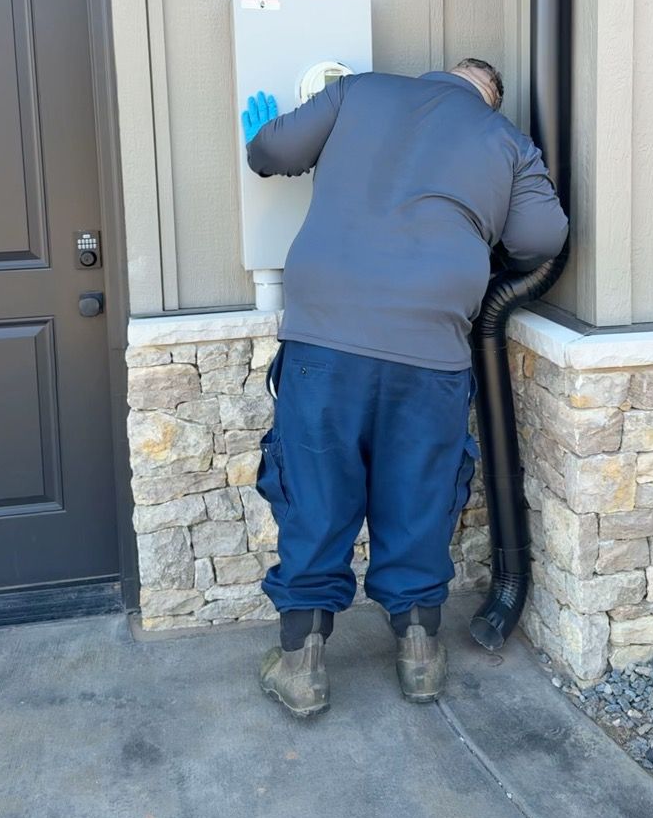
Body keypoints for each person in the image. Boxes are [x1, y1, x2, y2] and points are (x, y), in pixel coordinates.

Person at [242, 59, 568, 717]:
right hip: (431, 350)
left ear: (437, 76)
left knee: (314, 492)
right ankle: (420, 656)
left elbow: (271, 151)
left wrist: (261, 136)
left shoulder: (359, 90)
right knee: (419, 493)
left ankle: (302, 665)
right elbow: (542, 237)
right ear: (490, 98)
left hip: (326, 339)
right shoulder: (506, 141)